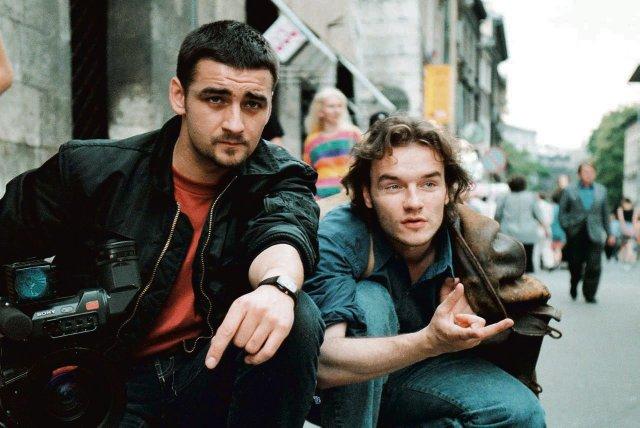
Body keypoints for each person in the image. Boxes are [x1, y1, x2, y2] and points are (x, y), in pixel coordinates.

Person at [0, 21, 324, 426]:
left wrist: (277, 286)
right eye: (216, 99)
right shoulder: (91, 171)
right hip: (99, 381)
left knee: (297, 315)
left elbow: (285, 228)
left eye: (253, 104)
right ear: (179, 96)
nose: (235, 123)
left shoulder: (280, 175)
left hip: (204, 373)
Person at [305, 116, 546, 427]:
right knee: (370, 300)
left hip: (421, 374)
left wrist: (470, 325)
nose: (414, 203)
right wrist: (429, 341)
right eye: (393, 186)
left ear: (447, 191)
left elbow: (508, 335)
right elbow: (323, 364)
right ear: (366, 194)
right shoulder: (340, 234)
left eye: (429, 184)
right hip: (347, 384)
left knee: (521, 413)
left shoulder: (472, 242)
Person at [558, 161, 615, 303]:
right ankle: (574, 282)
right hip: (575, 233)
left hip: (595, 233)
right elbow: (562, 212)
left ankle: (589, 294)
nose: (588, 174)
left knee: (594, 265)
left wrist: (610, 234)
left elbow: (605, 214)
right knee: (575, 264)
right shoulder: (569, 190)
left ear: (595, 173)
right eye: (585, 172)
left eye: (591, 172)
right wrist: (567, 228)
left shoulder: (601, 190)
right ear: (579, 174)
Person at [303, 87, 361, 198]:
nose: (336, 110)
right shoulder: (312, 140)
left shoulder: (354, 134)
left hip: (349, 195)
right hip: (321, 198)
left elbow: (362, 166)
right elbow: (308, 173)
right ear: (320, 111)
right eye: (331, 106)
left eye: (340, 106)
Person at [494, 175, 547, 273]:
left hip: (509, 234)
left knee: (511, 260)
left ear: (510, 185)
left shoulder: (504, 197)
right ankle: (529, 279)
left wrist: (495, 227)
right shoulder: (531, 197)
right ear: (524, 185)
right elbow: (538, 214)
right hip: (528, 233)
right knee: (528, 259)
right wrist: (545, 228)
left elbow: (498, 214)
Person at [615, 197, 639, 264]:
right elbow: (621, 222)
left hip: (631, 228)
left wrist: (634, 231)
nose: (627, 205)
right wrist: (626, 231)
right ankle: (626, 257)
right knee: (626, 242)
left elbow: (634, 221)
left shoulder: (634, 210)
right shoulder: (620, 210)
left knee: (629, 242)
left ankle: (628, 257)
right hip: (622, 228)